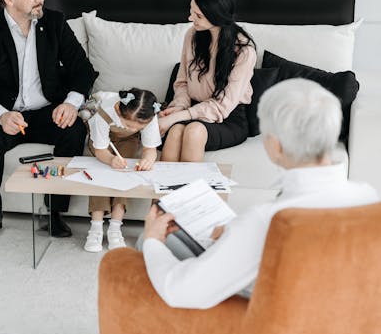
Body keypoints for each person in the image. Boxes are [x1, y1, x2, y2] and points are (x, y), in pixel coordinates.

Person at [141, 78, 379, 309]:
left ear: (275, 145)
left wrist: (153, 240)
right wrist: (236, 230)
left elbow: (181, 292)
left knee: (151, 242)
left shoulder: (266, 221)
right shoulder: (370, 200)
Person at [0, 0, 96, 239]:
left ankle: (54, 213)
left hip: (46, 110)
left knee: (73, 131)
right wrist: (1, 115)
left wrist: (70, 104)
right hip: (6, 113)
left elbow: (82, 70)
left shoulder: (54, 23)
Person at [158, 0, 256, 163]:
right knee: (176, 131)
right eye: (191, 10)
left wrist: (179, 116)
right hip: (193, 108)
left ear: (217, 17)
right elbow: (182, 83)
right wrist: (178, 107)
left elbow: (222, 107)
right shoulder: (192, 36)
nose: (190, 18)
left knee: (194, 131)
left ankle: (193, 192)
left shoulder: (243, 51)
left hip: (228, 117)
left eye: (198, 15)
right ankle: (162, 190)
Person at [83, 88, 162, 252]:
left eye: (137, 128)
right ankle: (96, 228)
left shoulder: (148, 117)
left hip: (128, 142)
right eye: (128, 125)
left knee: (125, 174)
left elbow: (150, 149)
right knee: (101, 172)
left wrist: (148, 160)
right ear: (119, 110)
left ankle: (115, 227)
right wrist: (111, 159)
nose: (133, 129)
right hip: (100, 142)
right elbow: (100, 151)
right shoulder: (104, 111)